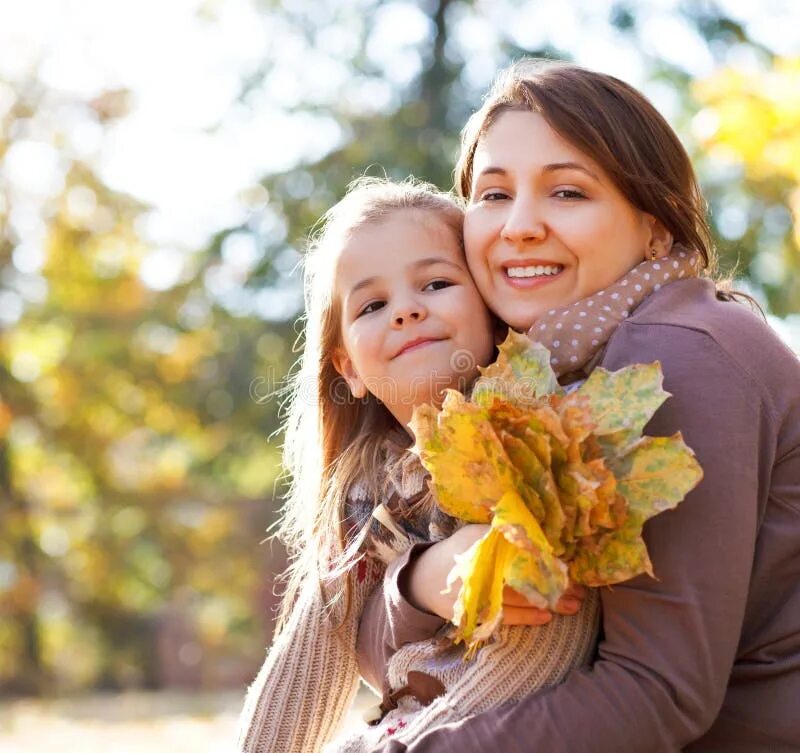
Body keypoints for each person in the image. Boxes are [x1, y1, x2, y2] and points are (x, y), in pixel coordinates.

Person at [356, 59, 800, 752]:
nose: (521, 226)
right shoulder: (533, 375)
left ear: (655, 227)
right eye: (493, 194)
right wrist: (421, 581)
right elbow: (364, 646)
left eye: (567, 192)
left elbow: (659, 691)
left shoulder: (675, 353)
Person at [235, 176, 599, 753]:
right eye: (373, 305)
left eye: (435, 283)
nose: (406, 310)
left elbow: (543, 648)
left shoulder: (532, 439)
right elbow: (307, 657)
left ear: (491, 311)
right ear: (347, 367)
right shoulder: (364, 487)